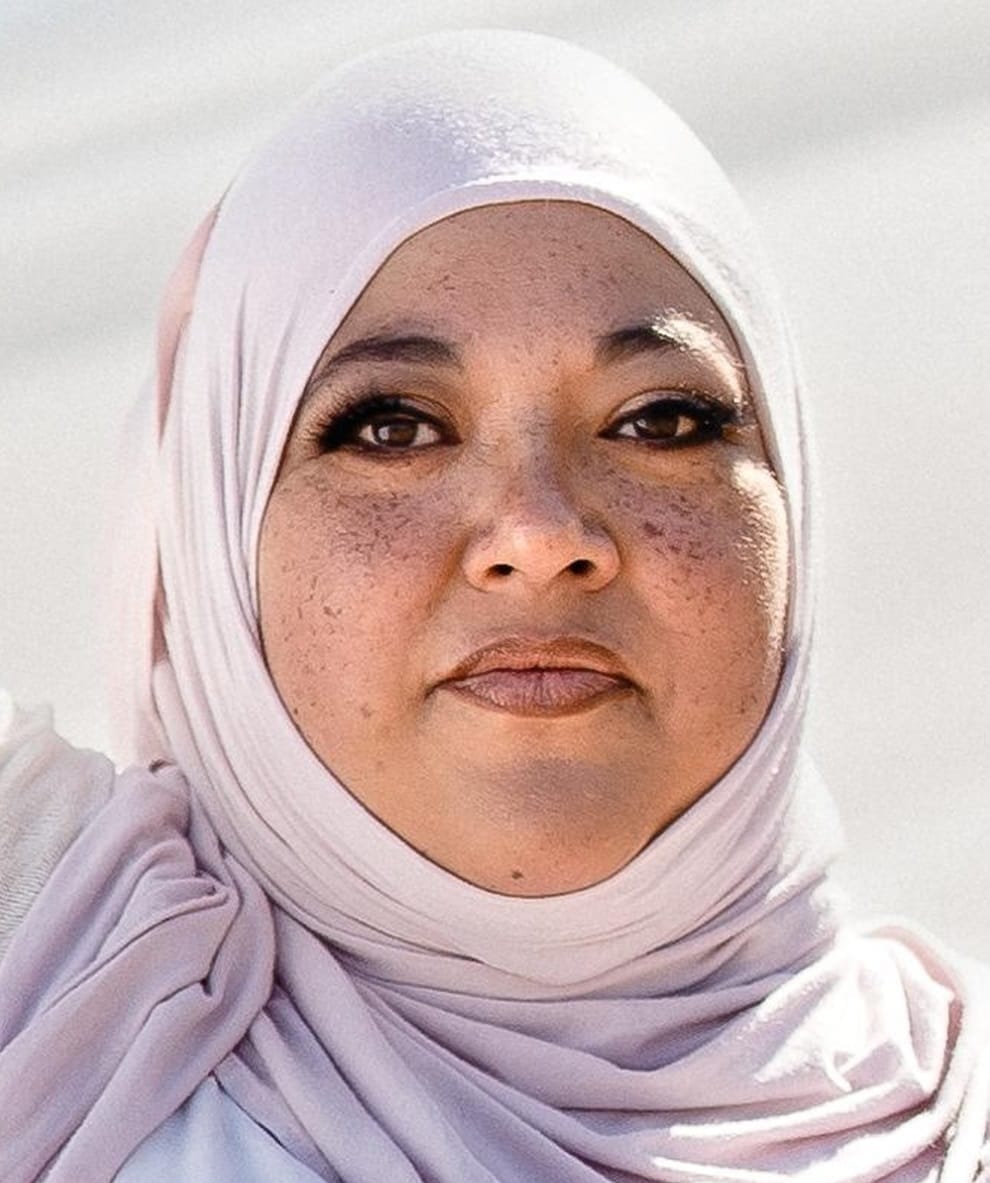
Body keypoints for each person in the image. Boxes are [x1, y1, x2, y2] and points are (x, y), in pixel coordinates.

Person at [1, 28, 988, 1183]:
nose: (540, 537)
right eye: (391, 427)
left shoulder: (948, 1127)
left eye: (660, 420)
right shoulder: (44, 985)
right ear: (217, 530)